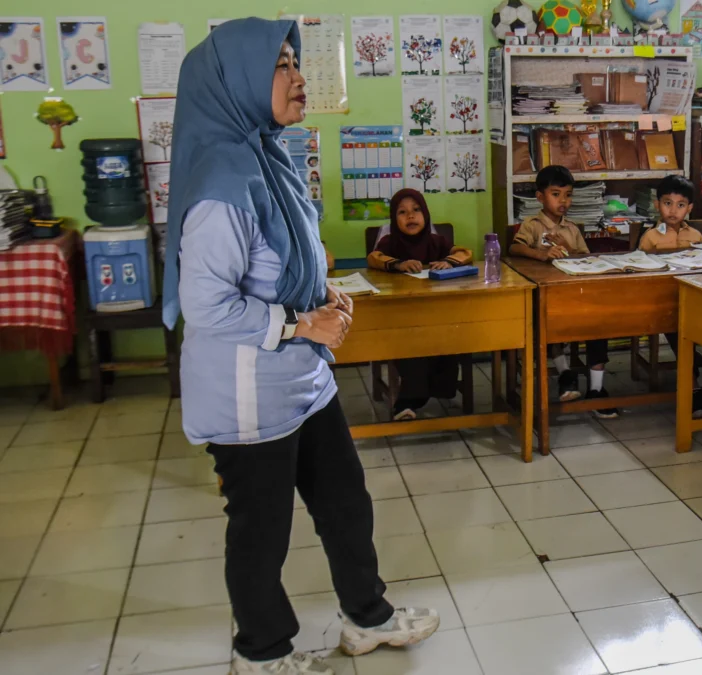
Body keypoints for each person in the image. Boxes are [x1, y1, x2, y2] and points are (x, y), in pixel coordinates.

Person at [163, 19, 438, 675]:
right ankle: (261, 651)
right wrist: (300, 324)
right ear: (236, 83)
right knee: (262, 528)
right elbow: (207, 306)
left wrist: (328, 297)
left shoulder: (268, 154)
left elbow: (292, 259)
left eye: (295, 61)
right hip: (247, 394)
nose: (298, 75)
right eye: (281, 65)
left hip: (303, 382)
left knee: (344, 499)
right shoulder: (222, 179)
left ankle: (366, 617)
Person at [510, 165, 618, 418]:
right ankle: (565, 374)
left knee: (598, 326)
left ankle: (596, 389)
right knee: (549, 323)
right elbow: (515, 248)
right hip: (549, 299)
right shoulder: (532, 225)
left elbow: (585, 258)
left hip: (576, 296)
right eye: (556, 194)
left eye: (568, 195)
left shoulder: (571, 229)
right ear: (540, 197)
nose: (563, 201)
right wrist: (541, 253)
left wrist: (569, 246)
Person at [638, 176, 702, 414]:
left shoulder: (695, 236)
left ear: (690, 208)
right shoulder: (650, 237)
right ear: (657, 204)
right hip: (666, 303)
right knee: (679, 333)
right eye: (667, 203)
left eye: (680, 205)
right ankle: (693, 389)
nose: (673, 210)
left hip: (694, 300)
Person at [369, 189, 473, 420]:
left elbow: (465, 253)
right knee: (411, 341)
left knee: (447, 335)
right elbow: (374, 258)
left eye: (416, 210)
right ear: (394, 220)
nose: (411, 217)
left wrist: (448, 261)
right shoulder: (389, 242)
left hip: (437, 313)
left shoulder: (437, 241)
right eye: (402, 212)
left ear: (425, 214)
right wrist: (398, 264)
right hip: (401, 315)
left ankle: (431, 391)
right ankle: (408, 400)